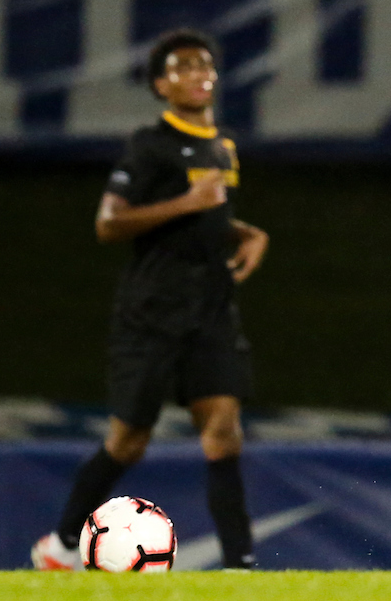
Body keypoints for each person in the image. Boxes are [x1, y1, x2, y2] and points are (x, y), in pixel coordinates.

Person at [32, 28, 268, 571]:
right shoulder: (149, 145)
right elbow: (109, 223)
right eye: (183, 67)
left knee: (224, 430)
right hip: (153, 311)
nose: (198, 73)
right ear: (161, 85)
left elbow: (211, 217)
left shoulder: (223, 145)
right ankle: (61, 544)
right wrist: (187, 202)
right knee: (129, 440)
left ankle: (241, 567)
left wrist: (246, 233)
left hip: (211, 309)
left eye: (204, 64)